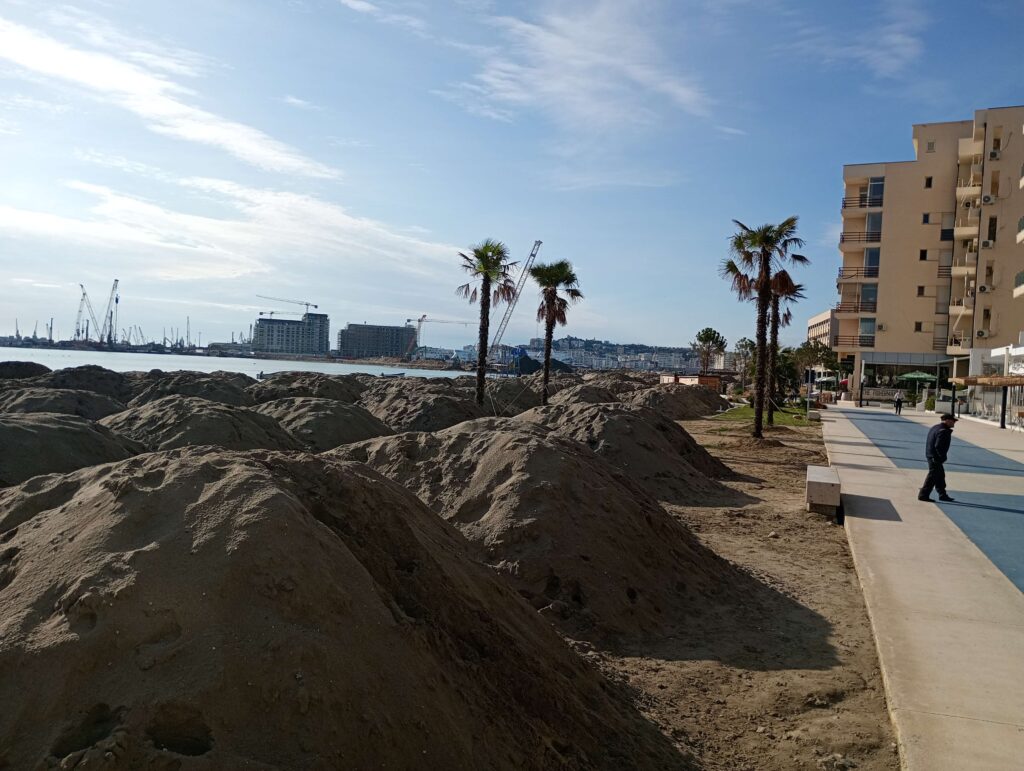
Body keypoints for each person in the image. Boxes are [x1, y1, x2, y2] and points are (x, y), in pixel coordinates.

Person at [918, 414, 957, 502]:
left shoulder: (936, 427)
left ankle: (942, 494)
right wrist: (942, 457)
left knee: (940, 475)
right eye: (953, 421)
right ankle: (923, 495)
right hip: (935, 457)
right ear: (947, 420)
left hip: (931, 455)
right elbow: (938, 446)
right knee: (932, 476)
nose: (954, 423)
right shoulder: (943, 431)